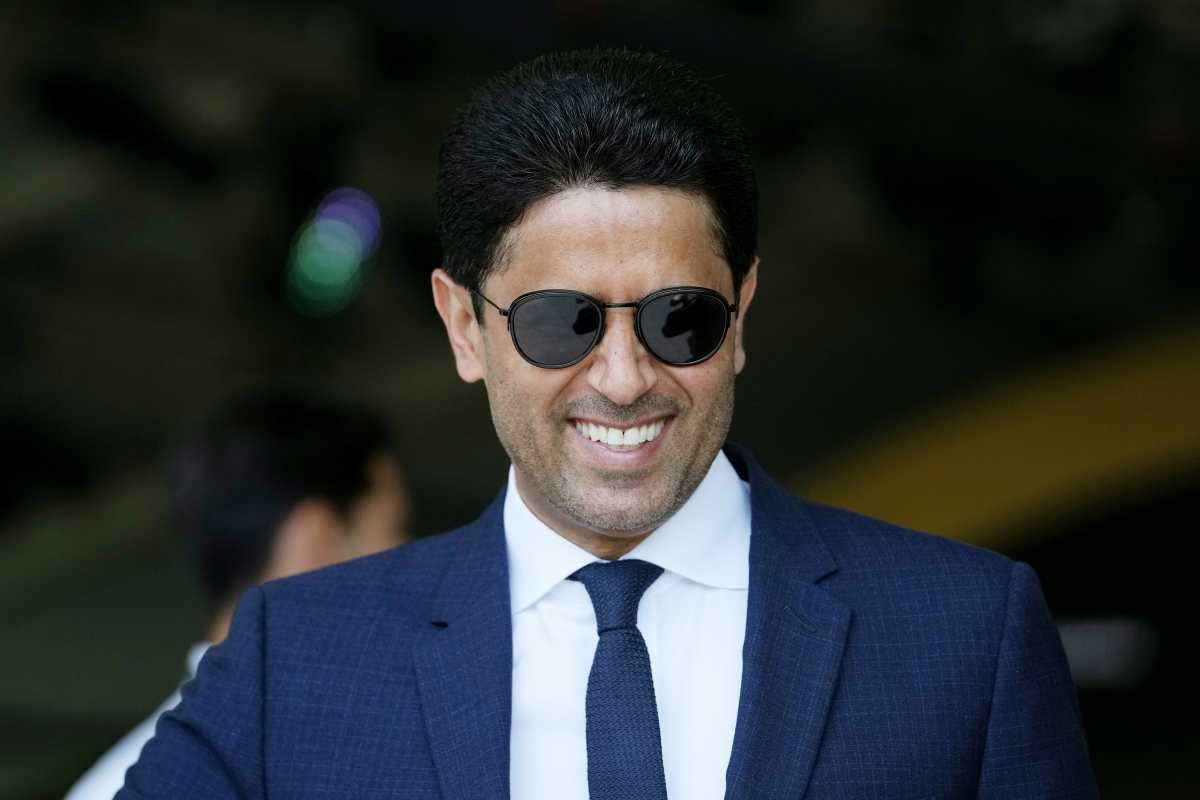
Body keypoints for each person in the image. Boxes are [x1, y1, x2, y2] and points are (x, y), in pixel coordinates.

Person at [119, 49, 1098, 798]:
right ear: (463, 326)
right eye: (562, 323)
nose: (625, 379)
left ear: (742, 314)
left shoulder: (967, 634)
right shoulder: (297, 659)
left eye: (681, 319)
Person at [69, 389, 408, 799]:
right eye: (396, 531)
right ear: (319, 538)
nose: (413, 564)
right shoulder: (382, 756)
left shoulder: (116, 783)